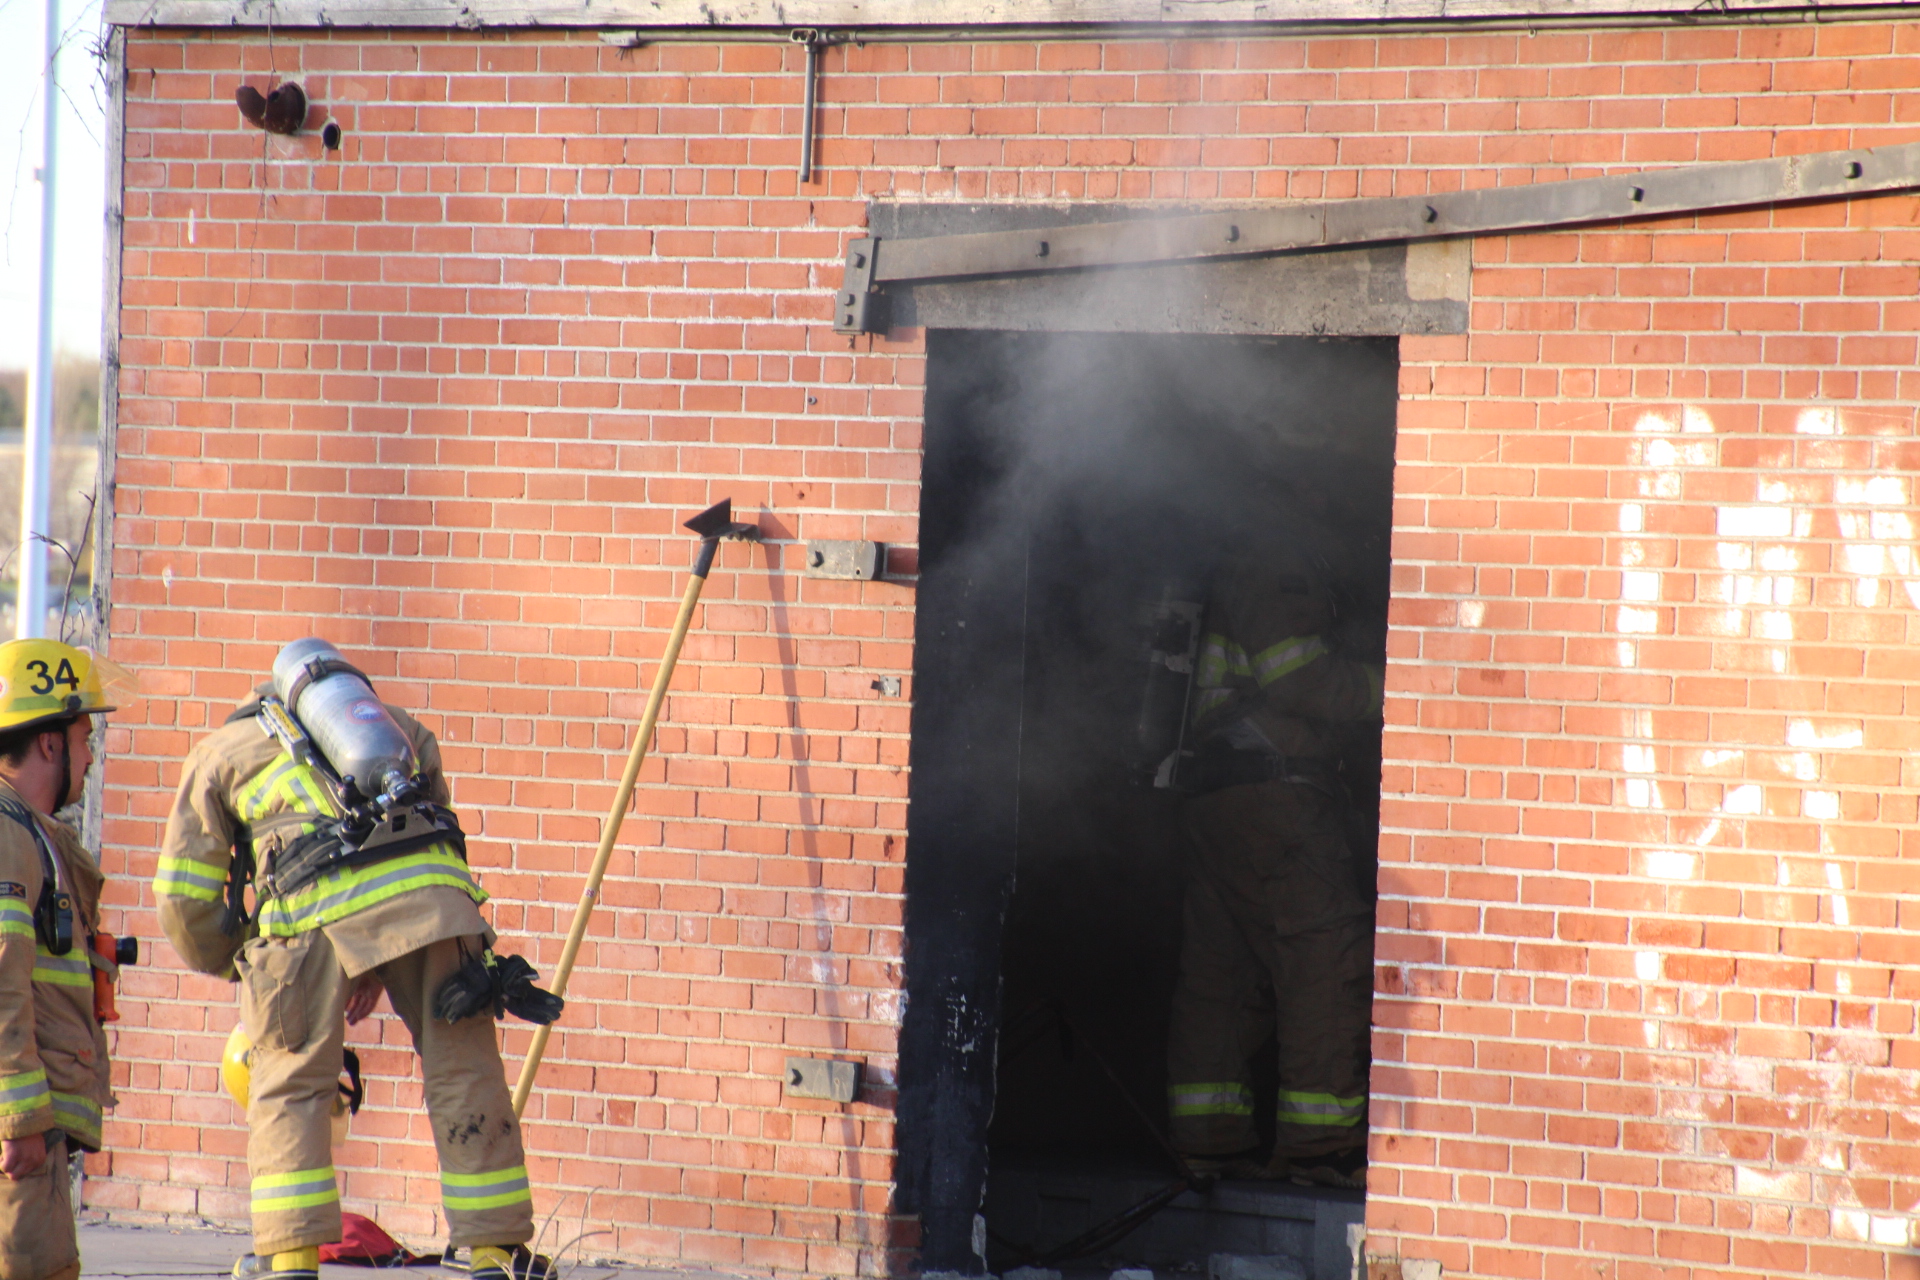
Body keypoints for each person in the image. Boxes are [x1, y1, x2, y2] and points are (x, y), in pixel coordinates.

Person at [157, 642, 545, 1280]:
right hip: (435, 904)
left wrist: (238, 966)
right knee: (463, 1062)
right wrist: (368, 960)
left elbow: (184, 899)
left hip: (308, 912)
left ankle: (288, 1257)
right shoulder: (397, 730)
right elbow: (430, 834)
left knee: (291, 1076)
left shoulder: (220, 754)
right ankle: (497, 1251)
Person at [1165, 533, 1384, 1189]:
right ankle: (1322, 1150)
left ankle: (1209, 1143)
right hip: (1278, 800)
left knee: (1222, 974)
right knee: (1323, 960)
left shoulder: (1227, 561)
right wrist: (1405, 687)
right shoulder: (1276, 559)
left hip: (1218, 800)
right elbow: (1298, 678)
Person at [0, 640, 133, 1280]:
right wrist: (20, 1118)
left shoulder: (28, 830)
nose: (89, 757)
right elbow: (2, 983)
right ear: (48, 744)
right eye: (85, 740)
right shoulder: (8, 834)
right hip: (14, 1146)